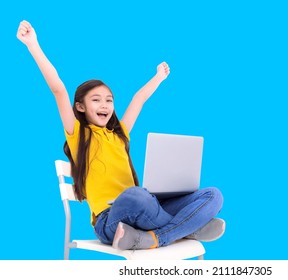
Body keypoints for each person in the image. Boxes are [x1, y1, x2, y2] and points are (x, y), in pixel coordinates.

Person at [17, 20, 224, 250]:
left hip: (145, 213)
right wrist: (33, 45)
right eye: (96, 100)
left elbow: (139, 99)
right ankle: (189, 229)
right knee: (136, 196)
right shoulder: (78, 134)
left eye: (109, 100)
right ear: (81, 107)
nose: (105, 105)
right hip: (111, 220)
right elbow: (58, 89)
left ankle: (155, 238)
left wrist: (158, 77)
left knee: (213, 196)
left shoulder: (120, 135)